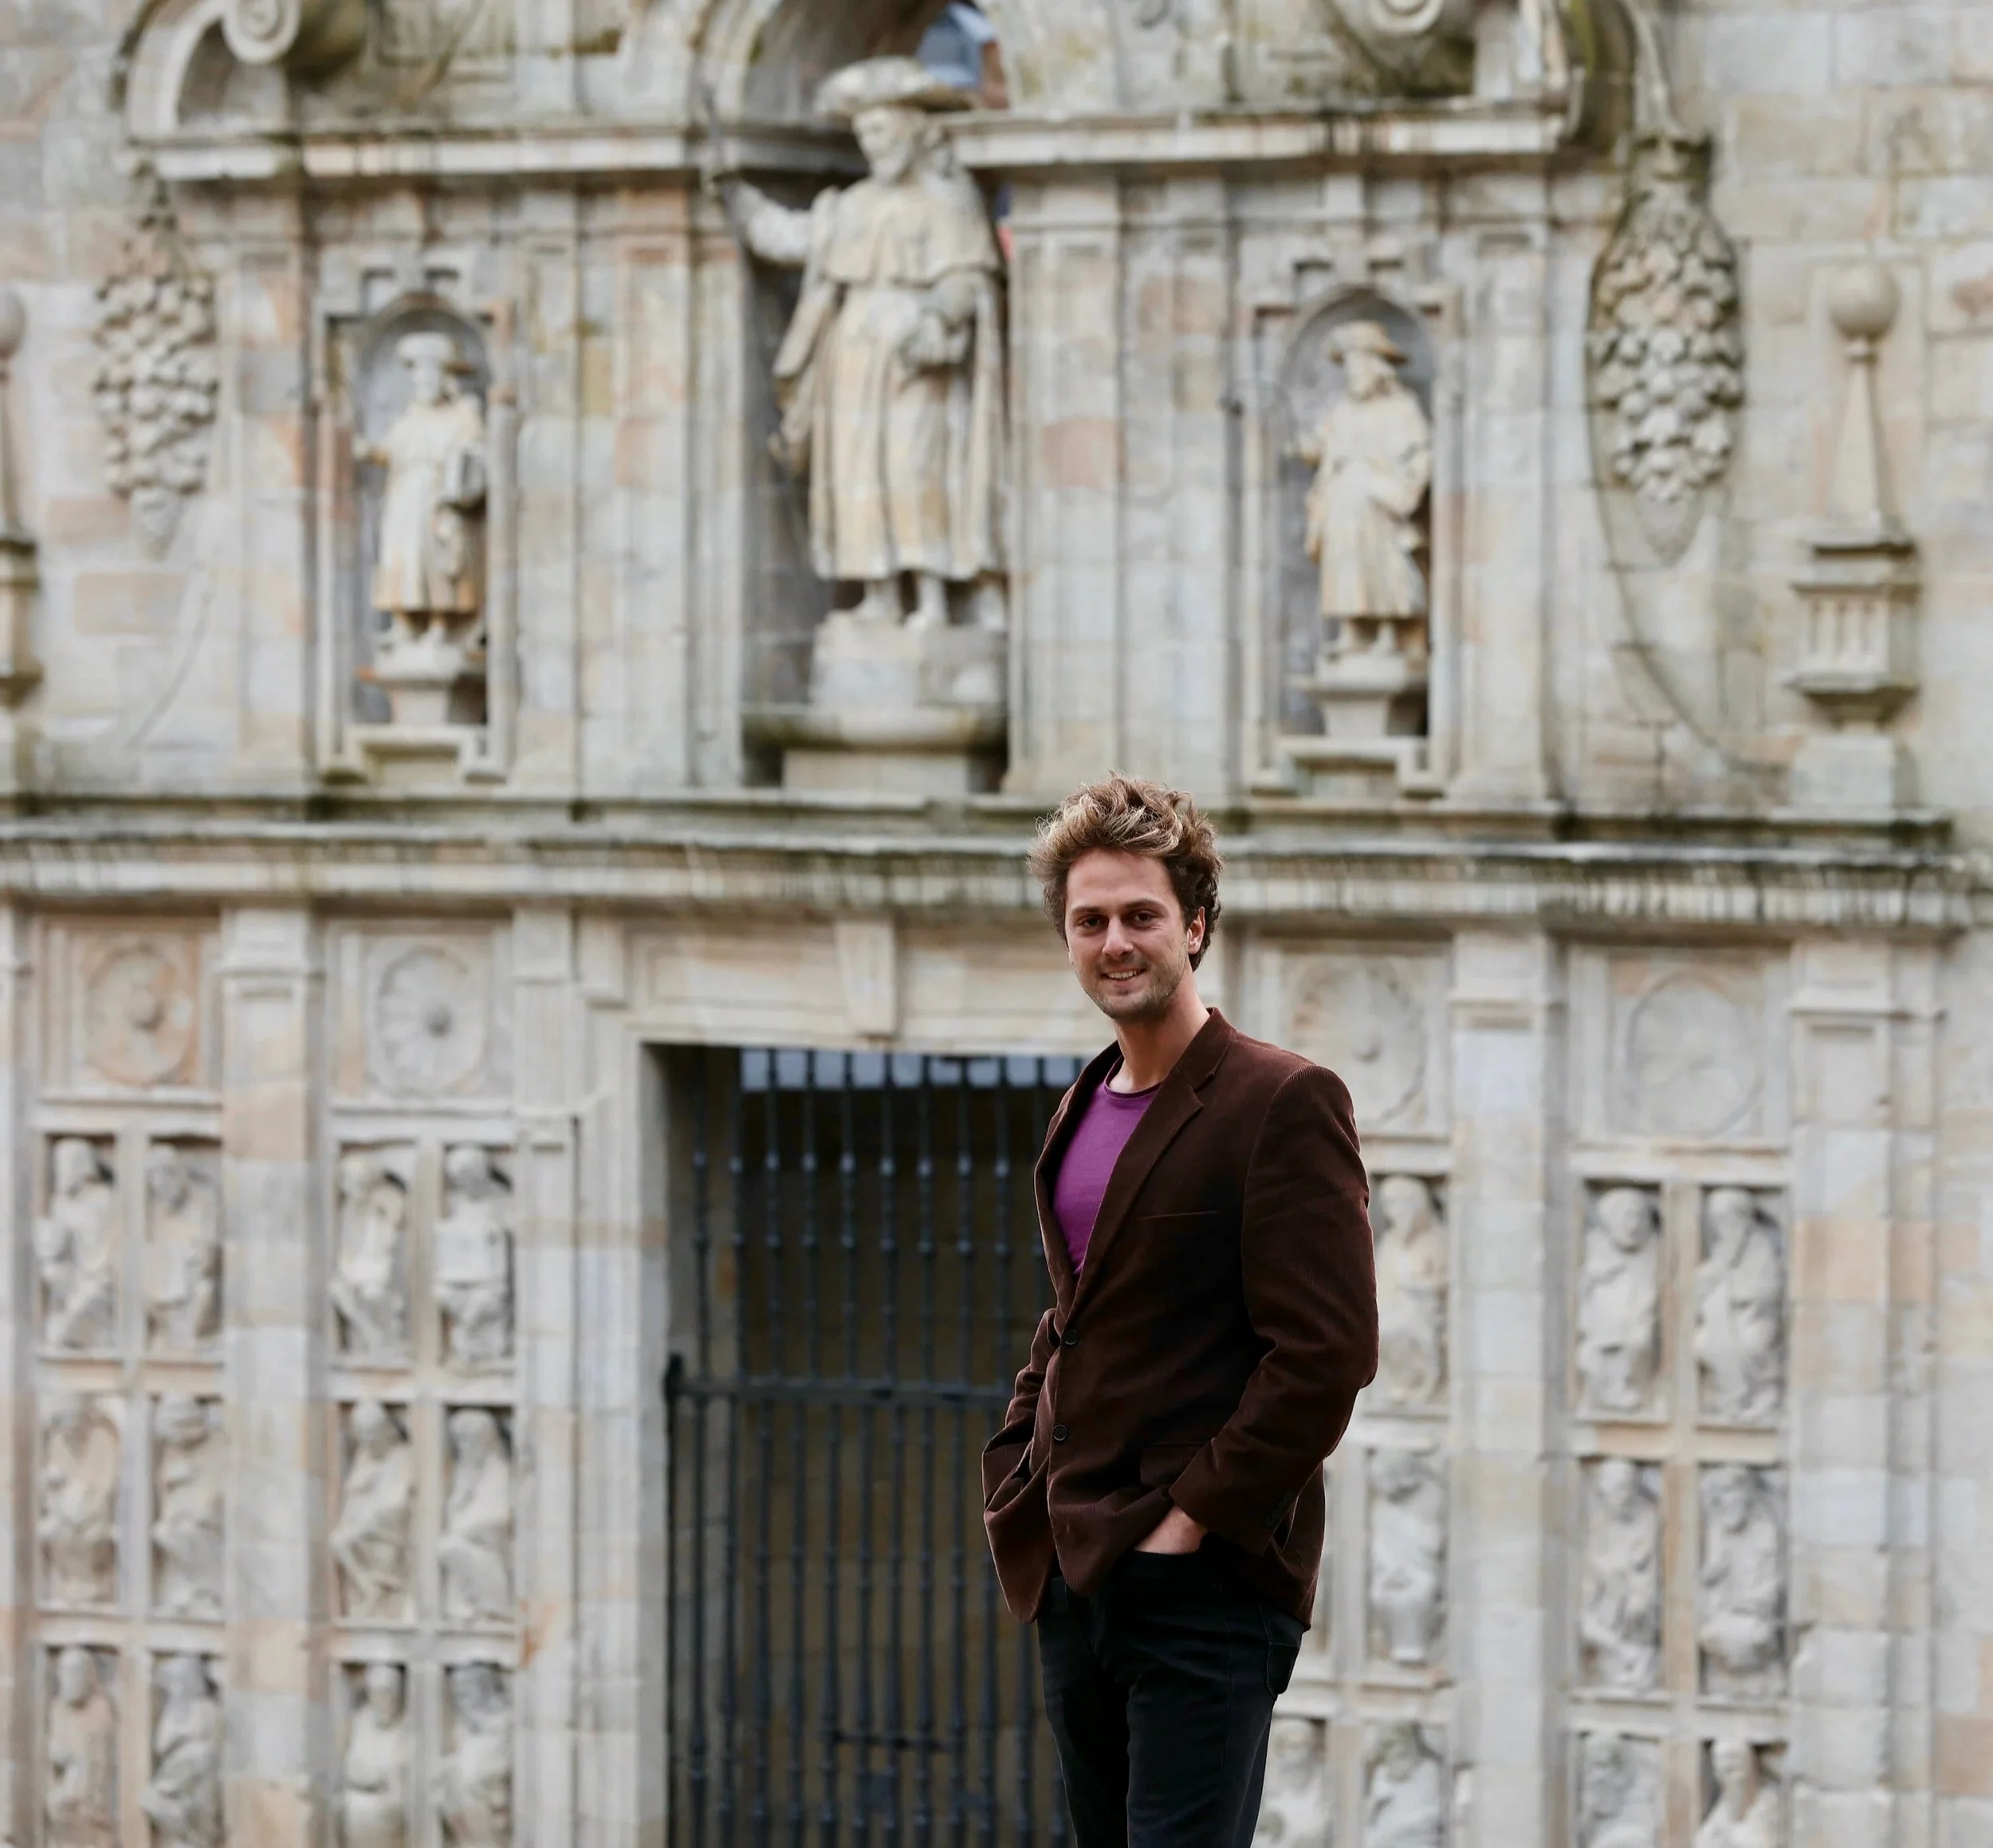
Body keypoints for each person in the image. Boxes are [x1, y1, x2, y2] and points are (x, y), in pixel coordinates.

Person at [983, 774, 1378, 1848]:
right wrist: (1021, 1461)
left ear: (1195, 924)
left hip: (1203, 1584)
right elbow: (1075, 1313)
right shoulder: (1081, 1101)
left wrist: (1192, 1519)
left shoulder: (1282, 1098)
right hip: (1076, 1572)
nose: (1116, 940)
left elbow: (1326, 1353)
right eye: (1090, 919)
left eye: (1141, 915)